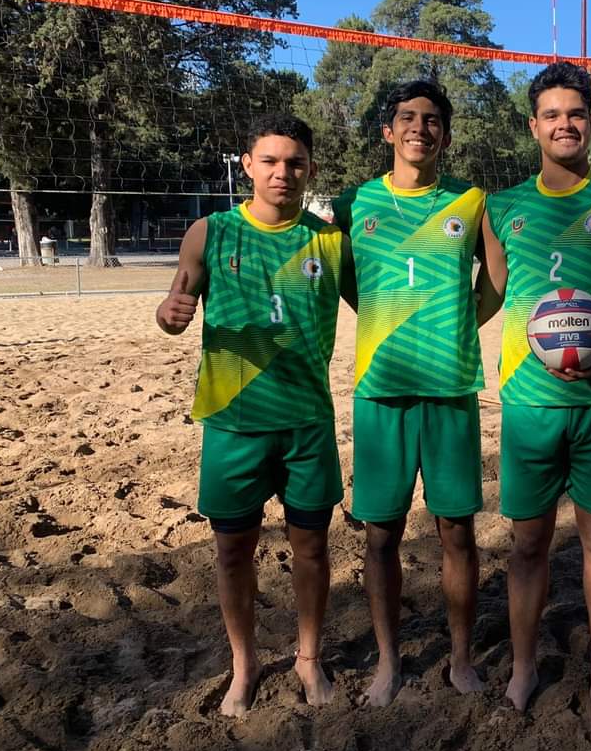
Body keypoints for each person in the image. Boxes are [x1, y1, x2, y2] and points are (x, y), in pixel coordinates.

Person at [478, 62, 591, 723]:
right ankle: (524, 668)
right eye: (552, 115)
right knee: (527, 545)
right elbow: (494, 294)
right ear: (533, 126)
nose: (565, 124)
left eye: (576, 114)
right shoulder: (500, 208)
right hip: (529, 406)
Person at [155, 113, 352, 716]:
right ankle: (244, 665)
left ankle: (308, 658)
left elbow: (380, 305)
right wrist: (169, 313)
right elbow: (174, 305)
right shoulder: (209, 232)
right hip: (232, 424)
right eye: (269, 161)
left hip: (306, 423)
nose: (282, 172)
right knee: (232, 553)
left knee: (311, 549)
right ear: (247, 165)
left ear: (310, 169)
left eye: (294, 162)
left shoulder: (331, 242)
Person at [331, 80, 489, 708]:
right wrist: (385, 319)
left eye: (431, 120)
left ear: (445, 135)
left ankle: (460, 659)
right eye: (407, 118)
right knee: (380, 535)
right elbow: (346, 281)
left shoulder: (471, 202)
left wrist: (458, 323)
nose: (419, 128)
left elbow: (497, 281)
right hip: (381, 388)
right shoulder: (353, 203)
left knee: (457, 532)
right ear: (387, 131)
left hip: (450, 386)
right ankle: (389, 663)